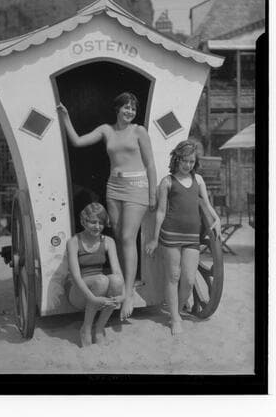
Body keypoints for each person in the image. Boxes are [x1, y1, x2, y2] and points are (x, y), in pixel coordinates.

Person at [58, 91, 157, 321]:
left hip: (137, 187)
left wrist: (152, 193)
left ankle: (129, 293)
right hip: (114, 188)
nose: (130, 111)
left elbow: (151, 164)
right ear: (117, 108)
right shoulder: (106, 130)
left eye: (133, 108)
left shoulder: (139, 131)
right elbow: (77, 141)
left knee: (127, 238)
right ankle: (122, 285)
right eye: (126, 107)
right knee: (119, 237)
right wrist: (66, 118)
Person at [145, 140, 221, 336]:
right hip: (169, 235)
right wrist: (154, 239)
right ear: (177, 160)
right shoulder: (167, 182)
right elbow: (161, 212)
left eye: (191, 161)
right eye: (184, 161)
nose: (188, 165)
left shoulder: (199, 180)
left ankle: (176, 311)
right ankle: (176, 318)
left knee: (187, 278)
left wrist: (217, 219)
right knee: (173, 277)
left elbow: (207, 204)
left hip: (191, 237)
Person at [66, 203, 125, 347]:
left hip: (99, 287)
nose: (97, 226)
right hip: (78, 291)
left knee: (116, 280)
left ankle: (99, 329)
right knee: (102, 280)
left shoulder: (108, 241)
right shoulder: (74, 242)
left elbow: (117, 271)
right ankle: (86, 329)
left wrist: (123, 295)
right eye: (93, 222)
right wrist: (92, 298)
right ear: (84, 221)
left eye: (101, 223)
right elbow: (75, 276)